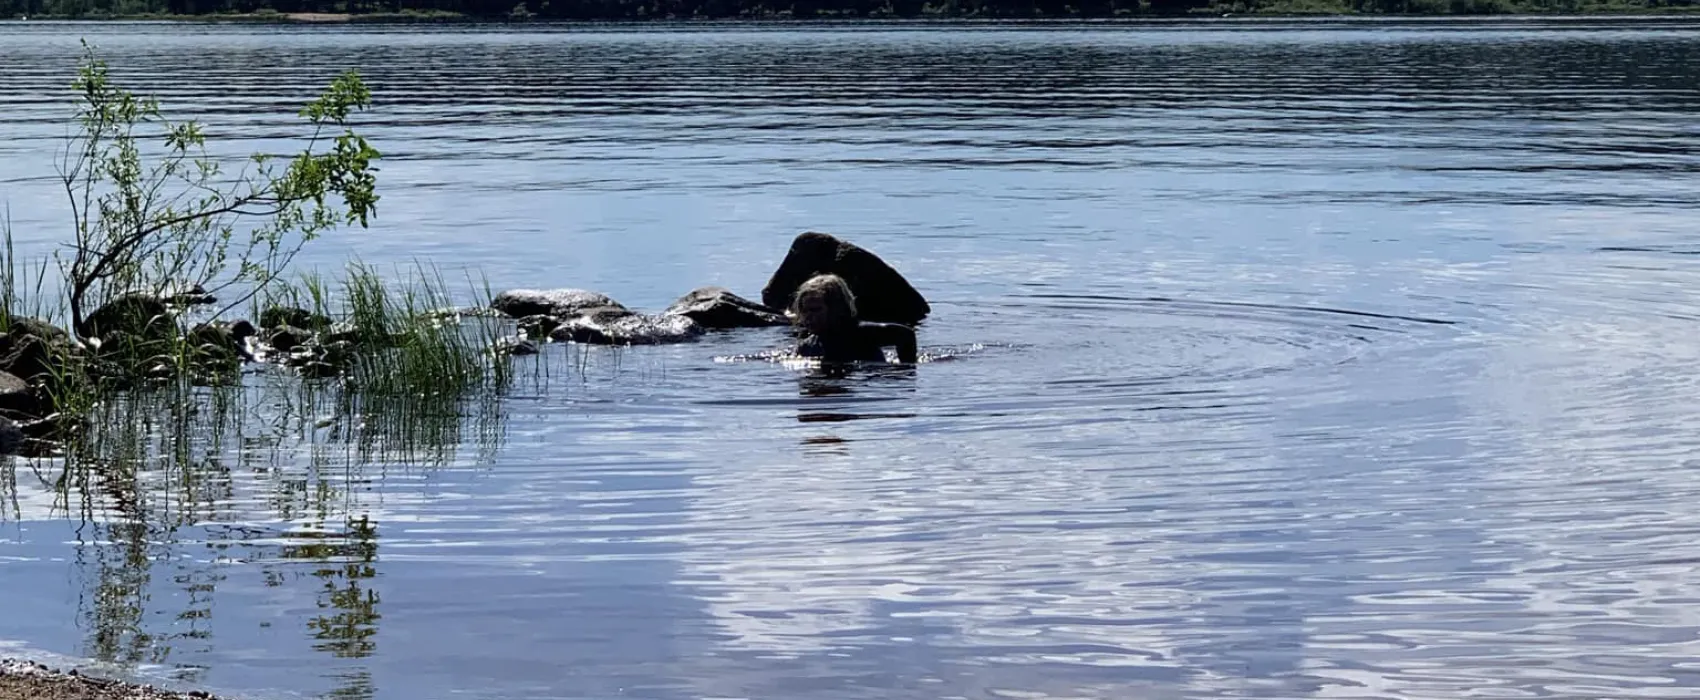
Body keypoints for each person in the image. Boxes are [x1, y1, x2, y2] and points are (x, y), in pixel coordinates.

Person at [789, 274, 918, 364]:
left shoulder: (861, 334)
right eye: (804, 311)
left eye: (816, 310)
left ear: (836, 309)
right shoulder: (807, 346)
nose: (808, 316)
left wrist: (905, 369)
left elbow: (906, 335)